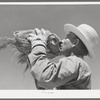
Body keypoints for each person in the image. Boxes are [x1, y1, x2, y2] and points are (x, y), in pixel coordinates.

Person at [27, 24, 99, 89]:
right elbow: (43, 84)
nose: (61, 41)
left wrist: (38, 44)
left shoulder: (75, 62)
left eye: (66, 37)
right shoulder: (79, 66)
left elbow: (44, 78)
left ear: (75, 43)